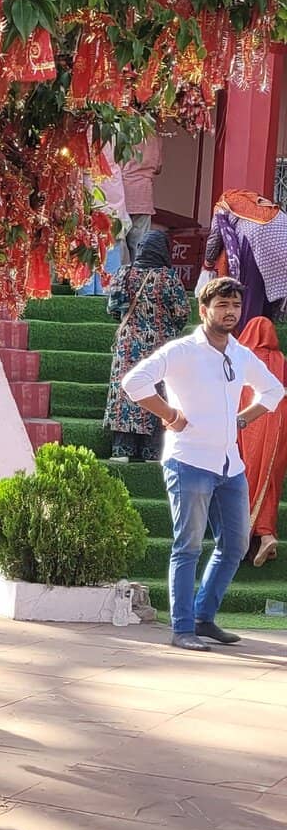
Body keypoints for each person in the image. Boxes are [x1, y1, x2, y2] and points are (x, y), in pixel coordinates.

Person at [121, 276, 286, 651]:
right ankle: (182, 629)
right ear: (204, 309)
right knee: (189, 546)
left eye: (235, 306)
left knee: (235, 545)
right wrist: (171, 414)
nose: (230, 312)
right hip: (189, 461)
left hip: (231, 466)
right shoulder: (183, 350)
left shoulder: (241, 353)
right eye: (222, 305)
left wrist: (242, 419)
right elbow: (134, 382)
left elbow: (274, 390)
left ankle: (203, 618)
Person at [105, 229, 191, 461]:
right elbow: (182, 313)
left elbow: (113, 308)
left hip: (127, 345)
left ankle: (121, 450)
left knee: (126, 392)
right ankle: (152, 451)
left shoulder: (124, 273)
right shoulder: (169, 278)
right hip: (160, 347)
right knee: (157, 391)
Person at [238, 315, 287, 569]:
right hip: (279, 428)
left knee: (247, 478)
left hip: (249, 425)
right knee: (269, 482)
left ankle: (242, 537)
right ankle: (266, 534)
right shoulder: (281, 360)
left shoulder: (243, 357)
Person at [204, 190, 287, 327]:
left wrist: (207, 264)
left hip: (255, 242)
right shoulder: (259, 204)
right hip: (282, 239)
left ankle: (246, 339)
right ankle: (263, 338)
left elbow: (215, 238)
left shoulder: (223, 205)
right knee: (268, 297)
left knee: (249, 296)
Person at [119, 130, 163, 265]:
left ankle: (118, 282)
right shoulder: (155, 135)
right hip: (144, 196)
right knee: (139, 250)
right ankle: (137, 282)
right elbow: (158, 167)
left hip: (122, 195)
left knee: (118, 247)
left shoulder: (122, 131)